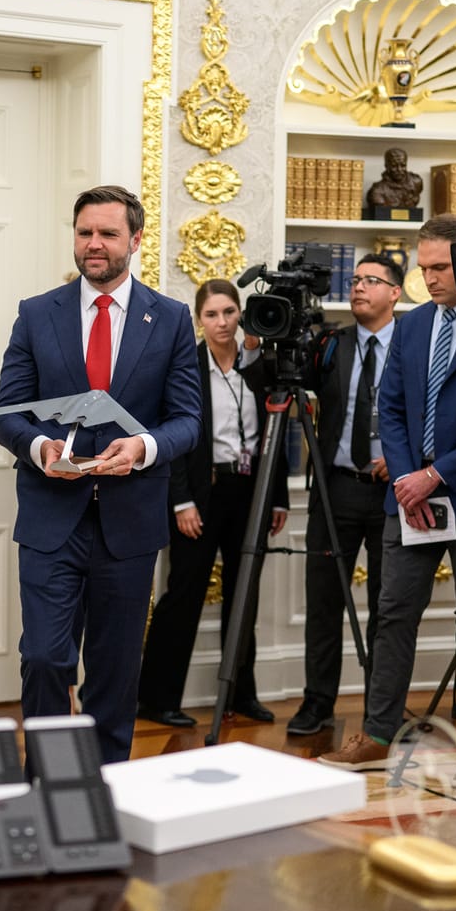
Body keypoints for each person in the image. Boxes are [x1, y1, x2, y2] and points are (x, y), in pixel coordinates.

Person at [0, 186, 201, 763]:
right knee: (45, 658)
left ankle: (107, 791)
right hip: (49, 518)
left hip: (130, 524)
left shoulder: (174, 319)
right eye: (85, 232)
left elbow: (188, 421)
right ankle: (51, 785)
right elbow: (8, 414)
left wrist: (143, 446)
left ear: (135, 240)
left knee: (113, 670)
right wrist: (38, 448)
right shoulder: (37, 314)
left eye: (108, 234)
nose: (94, 244)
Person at [321, 217, 456, 784]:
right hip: (410, 501)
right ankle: (379, 735)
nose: (429, 279)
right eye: (423, 267)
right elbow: (392, 409)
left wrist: (434, 476)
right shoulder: (411, 328)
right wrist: (409, 478)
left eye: (440, 268)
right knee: (392, 617)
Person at [136, 279, 288, 728]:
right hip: (201, 494)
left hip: (250, 491)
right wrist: (180, 501)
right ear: (198, 321)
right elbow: (176, 439)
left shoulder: (259, 368)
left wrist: (276, 497)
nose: (222, 323)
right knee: (183, 595)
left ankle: (241, 694)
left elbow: (275, 437)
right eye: (211, 314)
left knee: (245, 596)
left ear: (241, 314)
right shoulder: (186, 367)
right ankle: (157, 698)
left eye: (229, 312)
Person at [289, 252, 403, 737]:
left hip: (392, 493)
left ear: (395, 292)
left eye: (371, 281)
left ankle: (380, 713)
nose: (358, 288)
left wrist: (400, 461)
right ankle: (318, 702)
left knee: (387, 604)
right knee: (323, 601)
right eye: (355, 280)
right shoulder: (331, 344)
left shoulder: (413, 344)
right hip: (335, 489)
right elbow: (288, 382)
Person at [365, 147, 424, 218]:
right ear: (387, 166)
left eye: (403, 165)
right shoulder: (377, 191)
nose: (399, 169)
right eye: (394, 166)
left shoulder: (416, 182)